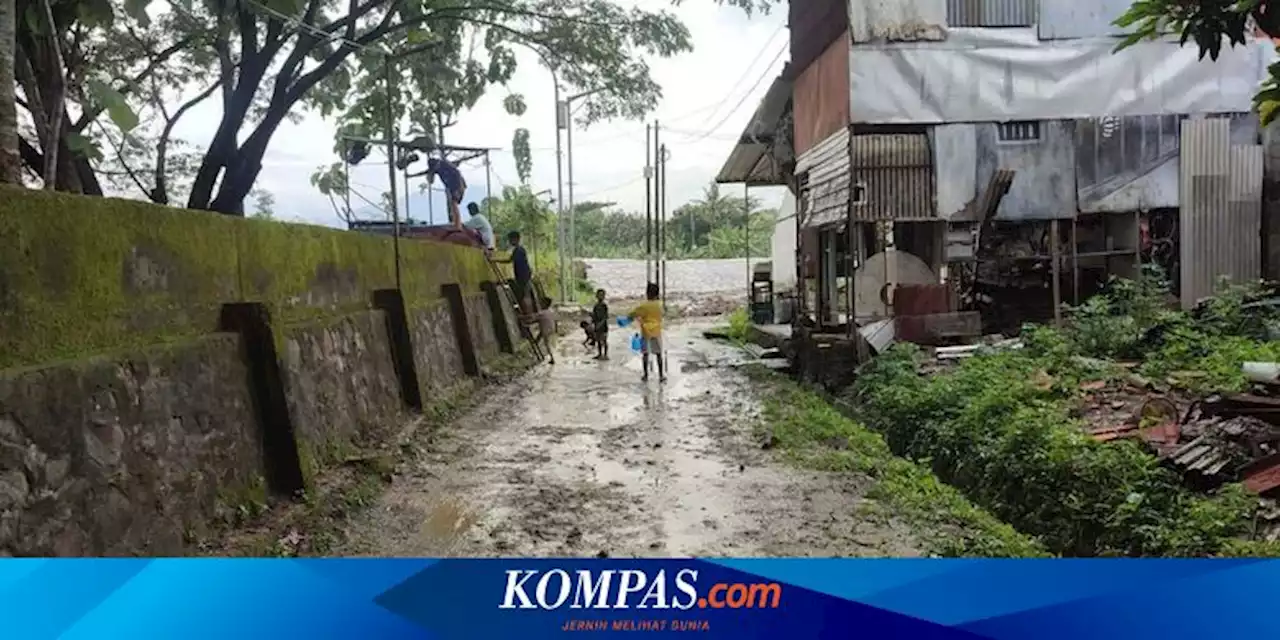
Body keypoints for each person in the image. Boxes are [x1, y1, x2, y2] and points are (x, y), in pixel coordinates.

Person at [628, 282, 665, 382]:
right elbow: (662, 314)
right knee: (658, 354)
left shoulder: (644, 306)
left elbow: (633, 314)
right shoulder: (659, 305)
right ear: (657, 294)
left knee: (645, 354)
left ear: (647, 293)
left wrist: (633, 318)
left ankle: (645, 375)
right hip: (656, 331)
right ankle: (661, 375)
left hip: (646, 332)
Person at [495, 231, 532, 312]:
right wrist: (496, 260)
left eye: (510, 240)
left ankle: (527, 314)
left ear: (515, 239)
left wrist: (495, 260)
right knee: (525, 295)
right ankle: (528, 314)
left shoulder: (518, 250)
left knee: (523, 296)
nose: (510, 242)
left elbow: (509, 260)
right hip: (525, 275)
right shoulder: (519, 249)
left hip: (523, 276)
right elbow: (510, 260)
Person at [425, 157, 467, 229]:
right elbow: (431, 180)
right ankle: (456, 224)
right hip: (451, 187)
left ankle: (457, 226)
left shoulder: (445, 165)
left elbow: (457, 173)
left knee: (454, 204)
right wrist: (430, 174)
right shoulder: (436, 168)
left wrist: (459, 189)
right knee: (453, 205)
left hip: (458, 186)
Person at [532, 296, 557, 365]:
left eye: (541, 303)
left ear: (545, 304)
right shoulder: (550, 311)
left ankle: (552, 359)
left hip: (545, 330)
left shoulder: (542, 313)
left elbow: (532, 318)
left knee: (547, 344)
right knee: (538, 339)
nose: (540, 304)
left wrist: (522, 317)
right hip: (550, 329)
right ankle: (535, 353)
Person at [590, 288, 609, 361]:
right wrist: (592, 318)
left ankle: (606, 355)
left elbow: (605, 317)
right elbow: (594, 315)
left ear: (604, 296)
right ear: (596, 296)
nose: (600, 296)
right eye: (599, 295)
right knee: (598, 341)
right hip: (597, 325)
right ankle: (600, 354)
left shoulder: (604, 305)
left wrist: (600, 324)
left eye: (602, 295)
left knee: (604, 340)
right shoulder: (595, 306)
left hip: (603, 326)